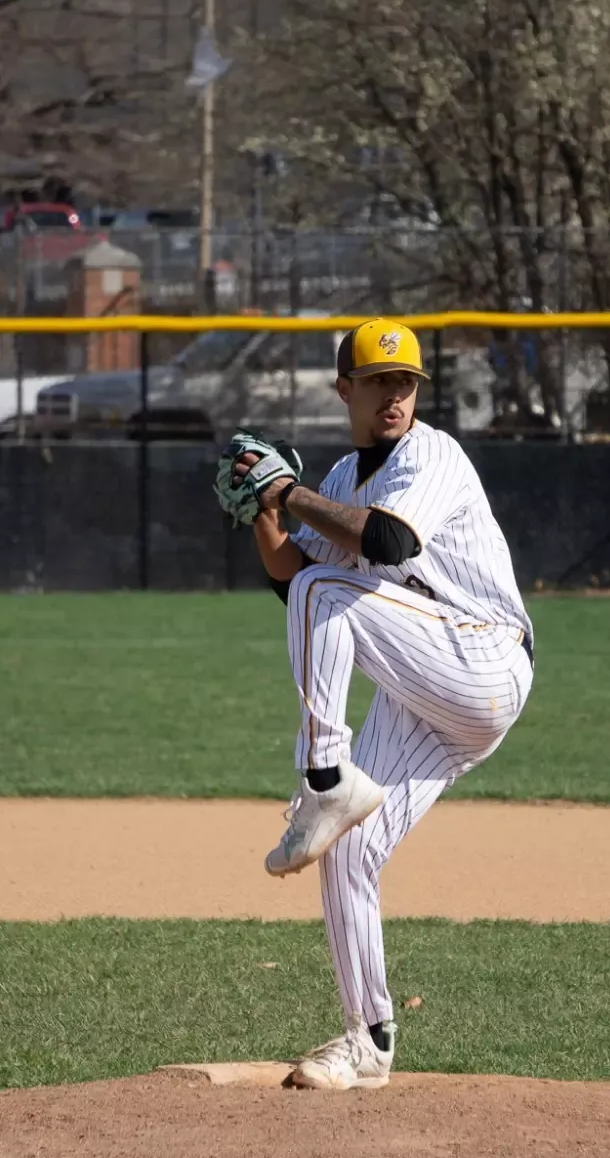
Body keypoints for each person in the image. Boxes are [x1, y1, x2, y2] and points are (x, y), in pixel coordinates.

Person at [223, 318, 535, 1090]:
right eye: (378, 382)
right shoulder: (339, 479)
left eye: (406, 383)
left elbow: (389, 543)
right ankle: (369, 1042)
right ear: (345, 391)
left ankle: (324, 778)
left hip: (483, 657)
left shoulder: (432, 454)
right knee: (351, 852)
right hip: (425, 682)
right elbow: (290, 579)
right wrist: (265, 512)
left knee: (328, 588)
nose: (395, 396)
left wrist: (286, 490)